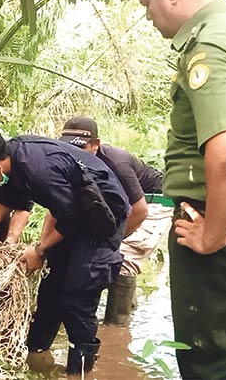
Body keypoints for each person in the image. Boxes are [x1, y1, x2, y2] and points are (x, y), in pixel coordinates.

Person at [135, 0, 226, 378]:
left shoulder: (210, 46)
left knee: (211, 357)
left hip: (213, 223)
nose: (147, 16)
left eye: (146, 4)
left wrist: (213, 234)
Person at [0, 124, 130, 374]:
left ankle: (80, 371)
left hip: (102, 216)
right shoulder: (13, 158)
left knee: (78, 294)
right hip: (76, 212)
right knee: (52, 288)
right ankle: (37, 356)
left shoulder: (38, 169)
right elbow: (10, 197)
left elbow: (73, 217)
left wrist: (40, 249)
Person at [59, 115, 169, 325]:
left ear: (96, 145)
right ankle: (128, 305)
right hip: (120, 203)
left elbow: (140, 210)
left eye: (80, 148)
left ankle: (116, 327)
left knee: (124, 258)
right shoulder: (67, 161)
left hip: (154, 202)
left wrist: (113, 240)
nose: (73, 153)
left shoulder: (117, 161)